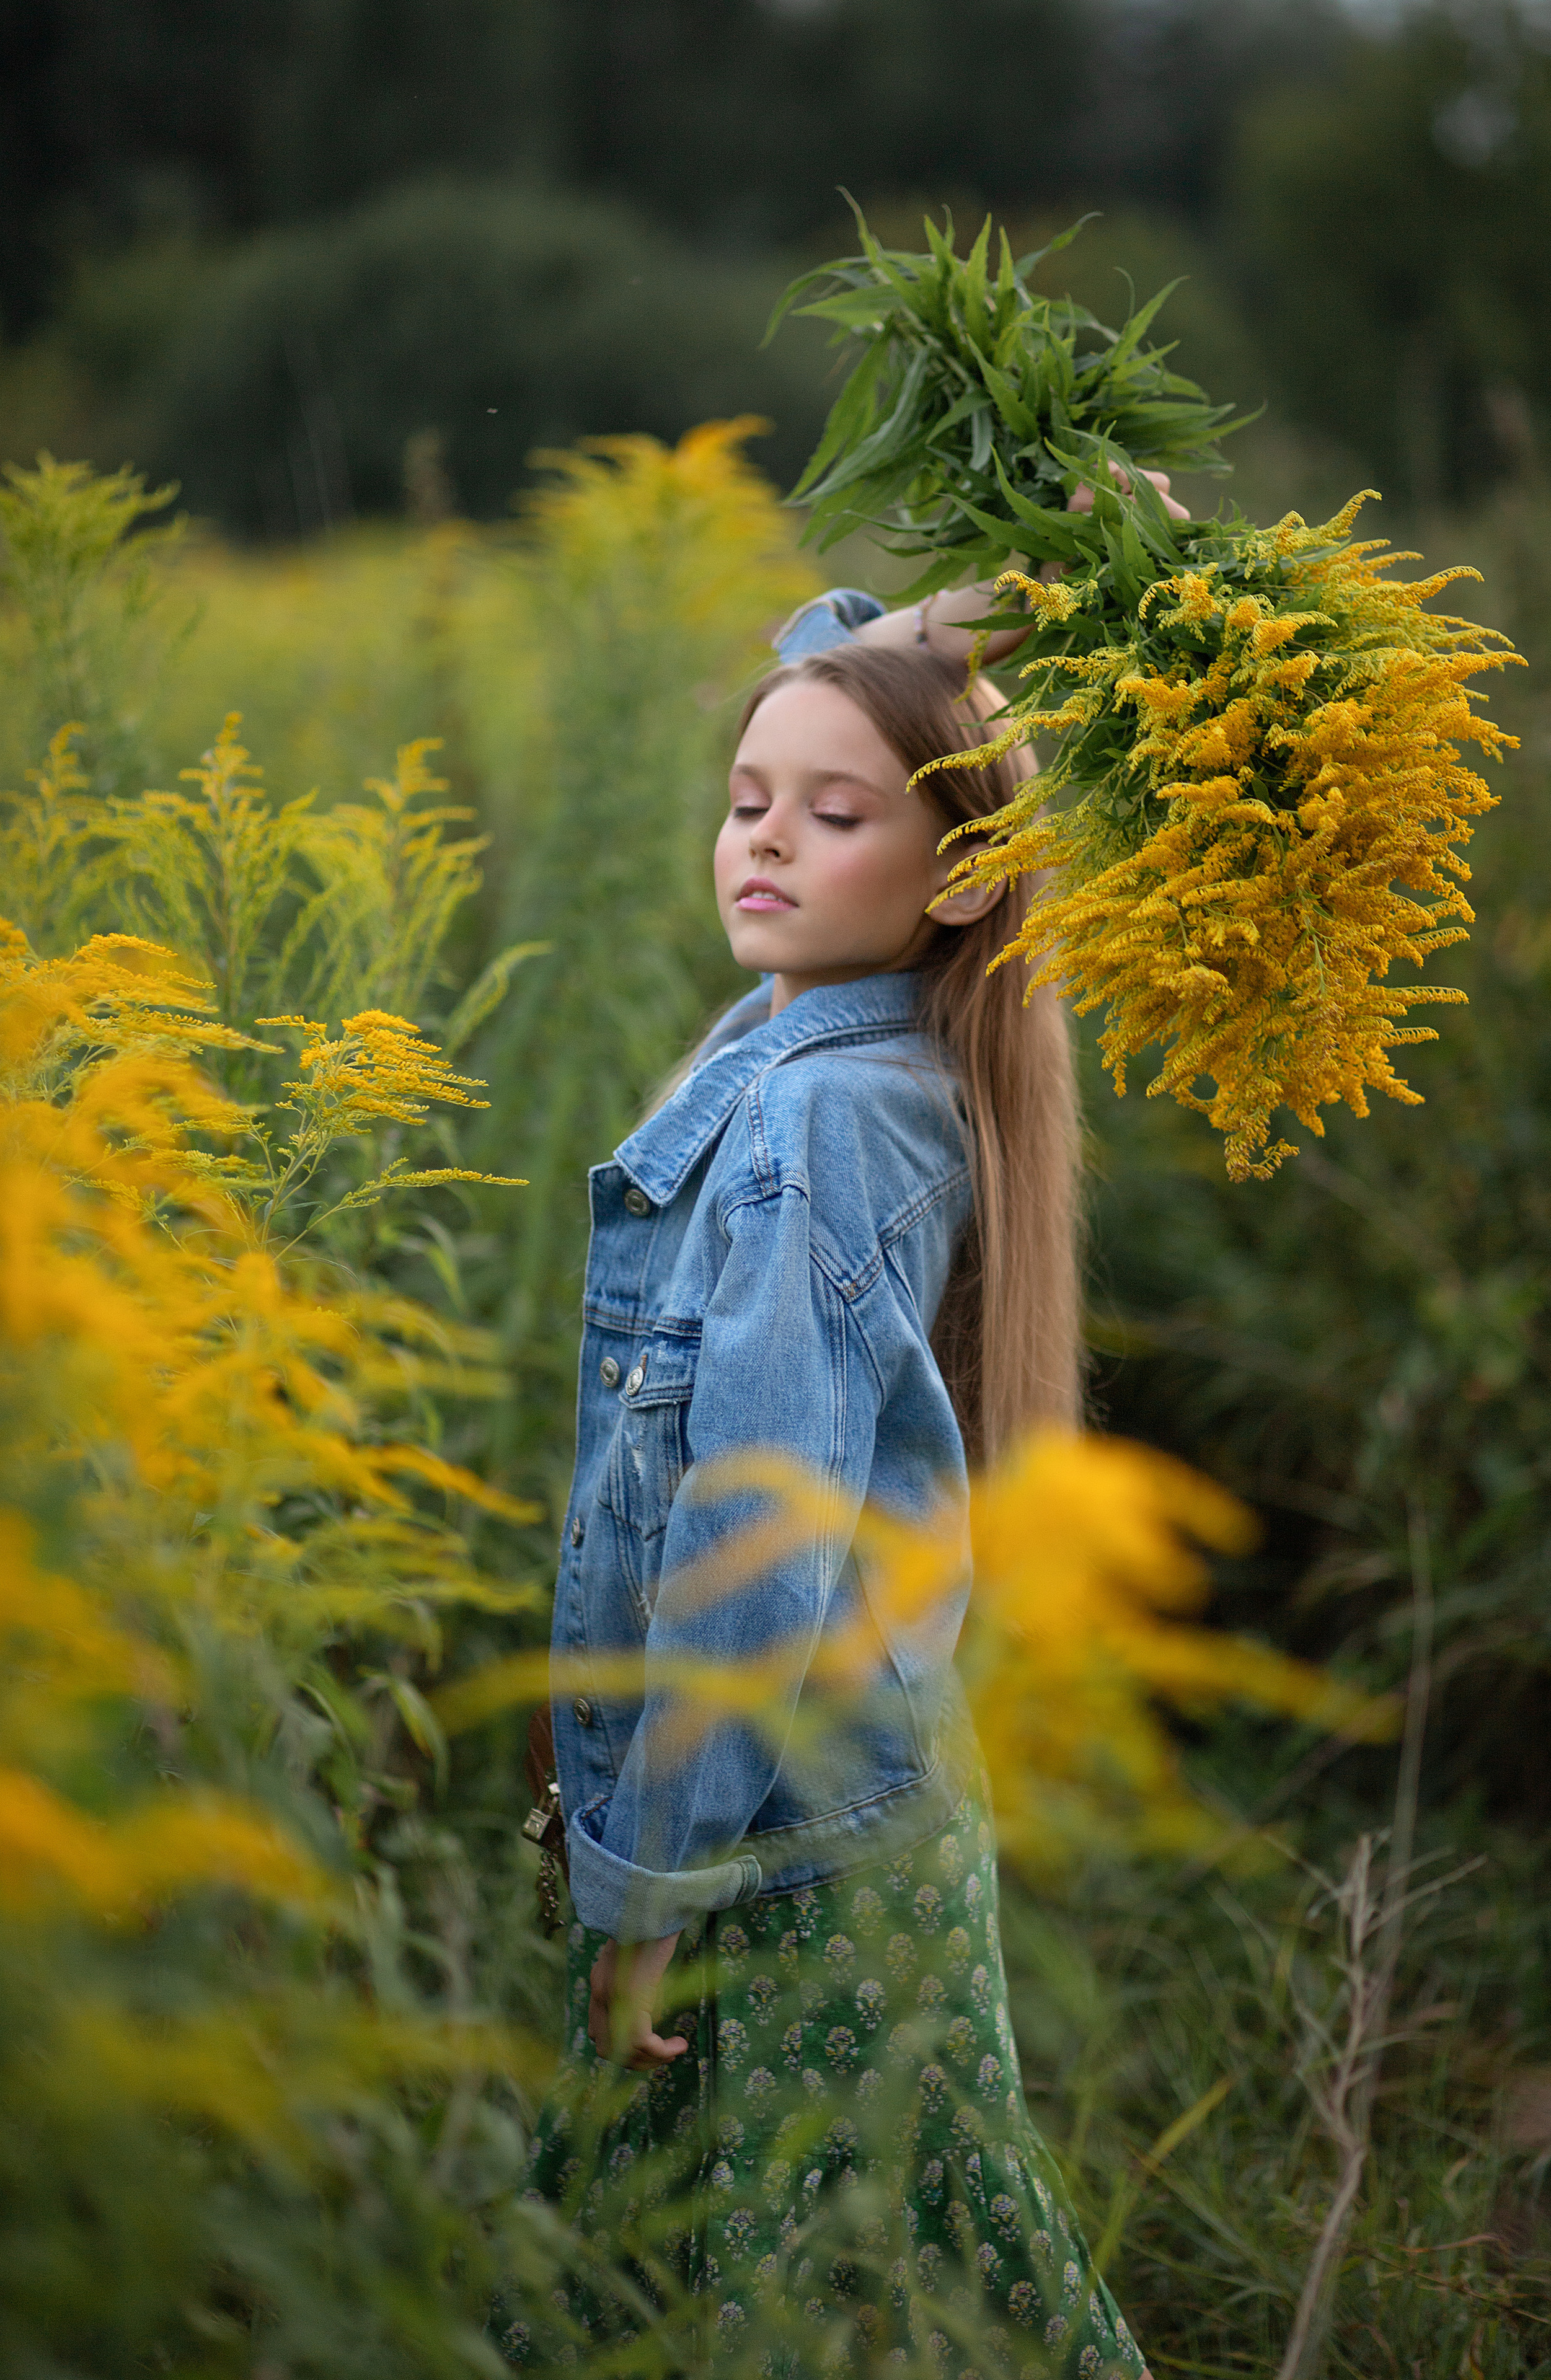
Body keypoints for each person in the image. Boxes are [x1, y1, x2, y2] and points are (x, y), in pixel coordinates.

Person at [510, 550, 1167, 2378]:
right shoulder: (835, 1054)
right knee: (764, 2276)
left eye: (830, 814)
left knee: (862, 2301)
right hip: (838, 1817)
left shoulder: (817, 1125)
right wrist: (920, 650)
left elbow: (755, 1547)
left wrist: (648, 1894)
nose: (763, 842)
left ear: (956, 878)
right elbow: (868, 754)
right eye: (744, 803)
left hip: (783, 1853)